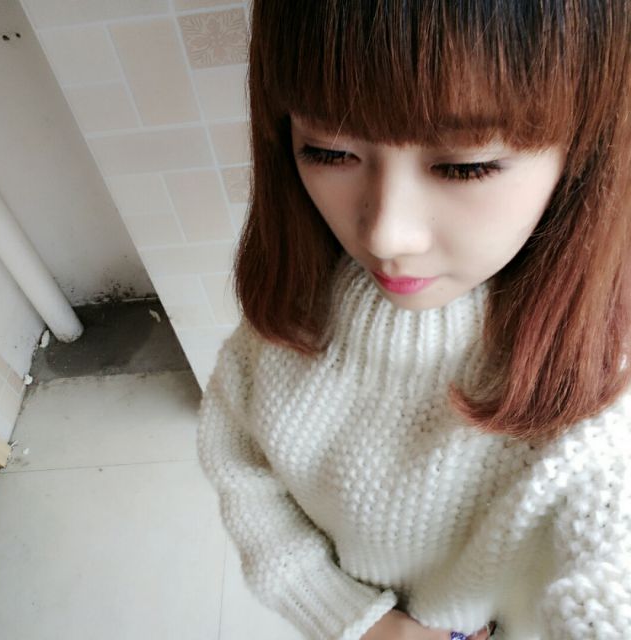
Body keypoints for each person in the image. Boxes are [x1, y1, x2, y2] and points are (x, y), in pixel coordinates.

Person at [197, 2, 631, 639]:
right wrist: (357, 622)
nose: (385, 233)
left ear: (585, 151)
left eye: (464, 165)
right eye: (328, 151)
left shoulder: (603, 386)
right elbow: (243, 473)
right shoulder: (285, 326)